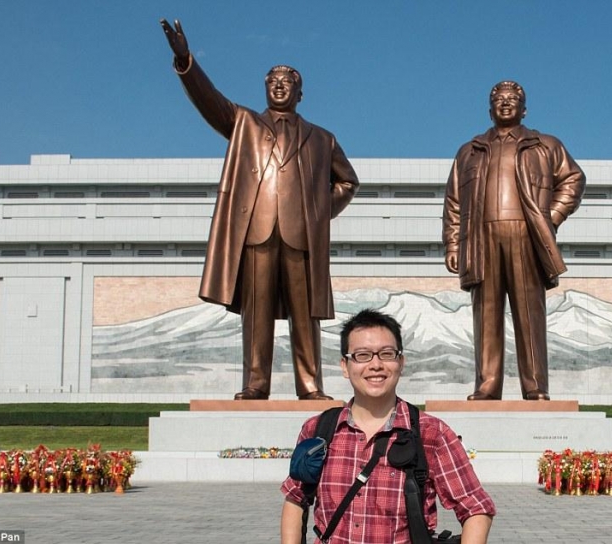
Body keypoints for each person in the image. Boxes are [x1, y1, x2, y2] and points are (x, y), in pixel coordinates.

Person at [161, 20, 359, 400]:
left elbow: (348, 182)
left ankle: (310, 384)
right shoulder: (244, 124)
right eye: (272, 81)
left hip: (300, 234)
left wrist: (318, 211)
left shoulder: (322, 138)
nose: (279, 85)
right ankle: (255, 383)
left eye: (287, 82)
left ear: (300, 93)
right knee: (257, 312)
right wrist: (186, 61)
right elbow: (210, 100)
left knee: (306, 315)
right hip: (257, 230)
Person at [280, 309, 495, 543]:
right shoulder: (319, 430)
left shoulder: (431, 433)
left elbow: (476, 508)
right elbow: (295, 498)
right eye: (362, 355)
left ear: (401, 362)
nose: (376, 365)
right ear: (345, 365)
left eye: (386, 354)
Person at [443, 81, 586, 401]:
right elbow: (453, 201)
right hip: (482, 239)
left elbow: (574, 179)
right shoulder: (470, 151)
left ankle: (535, 385)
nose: (505, 104)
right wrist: (453, 244)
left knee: (529, 312)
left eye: (513, 100)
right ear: (489, 108)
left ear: (524, 109)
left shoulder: (545, 145)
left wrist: (552, 217)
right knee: (486, 314)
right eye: (498, 100)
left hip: (526, 235)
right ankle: (487, 384)